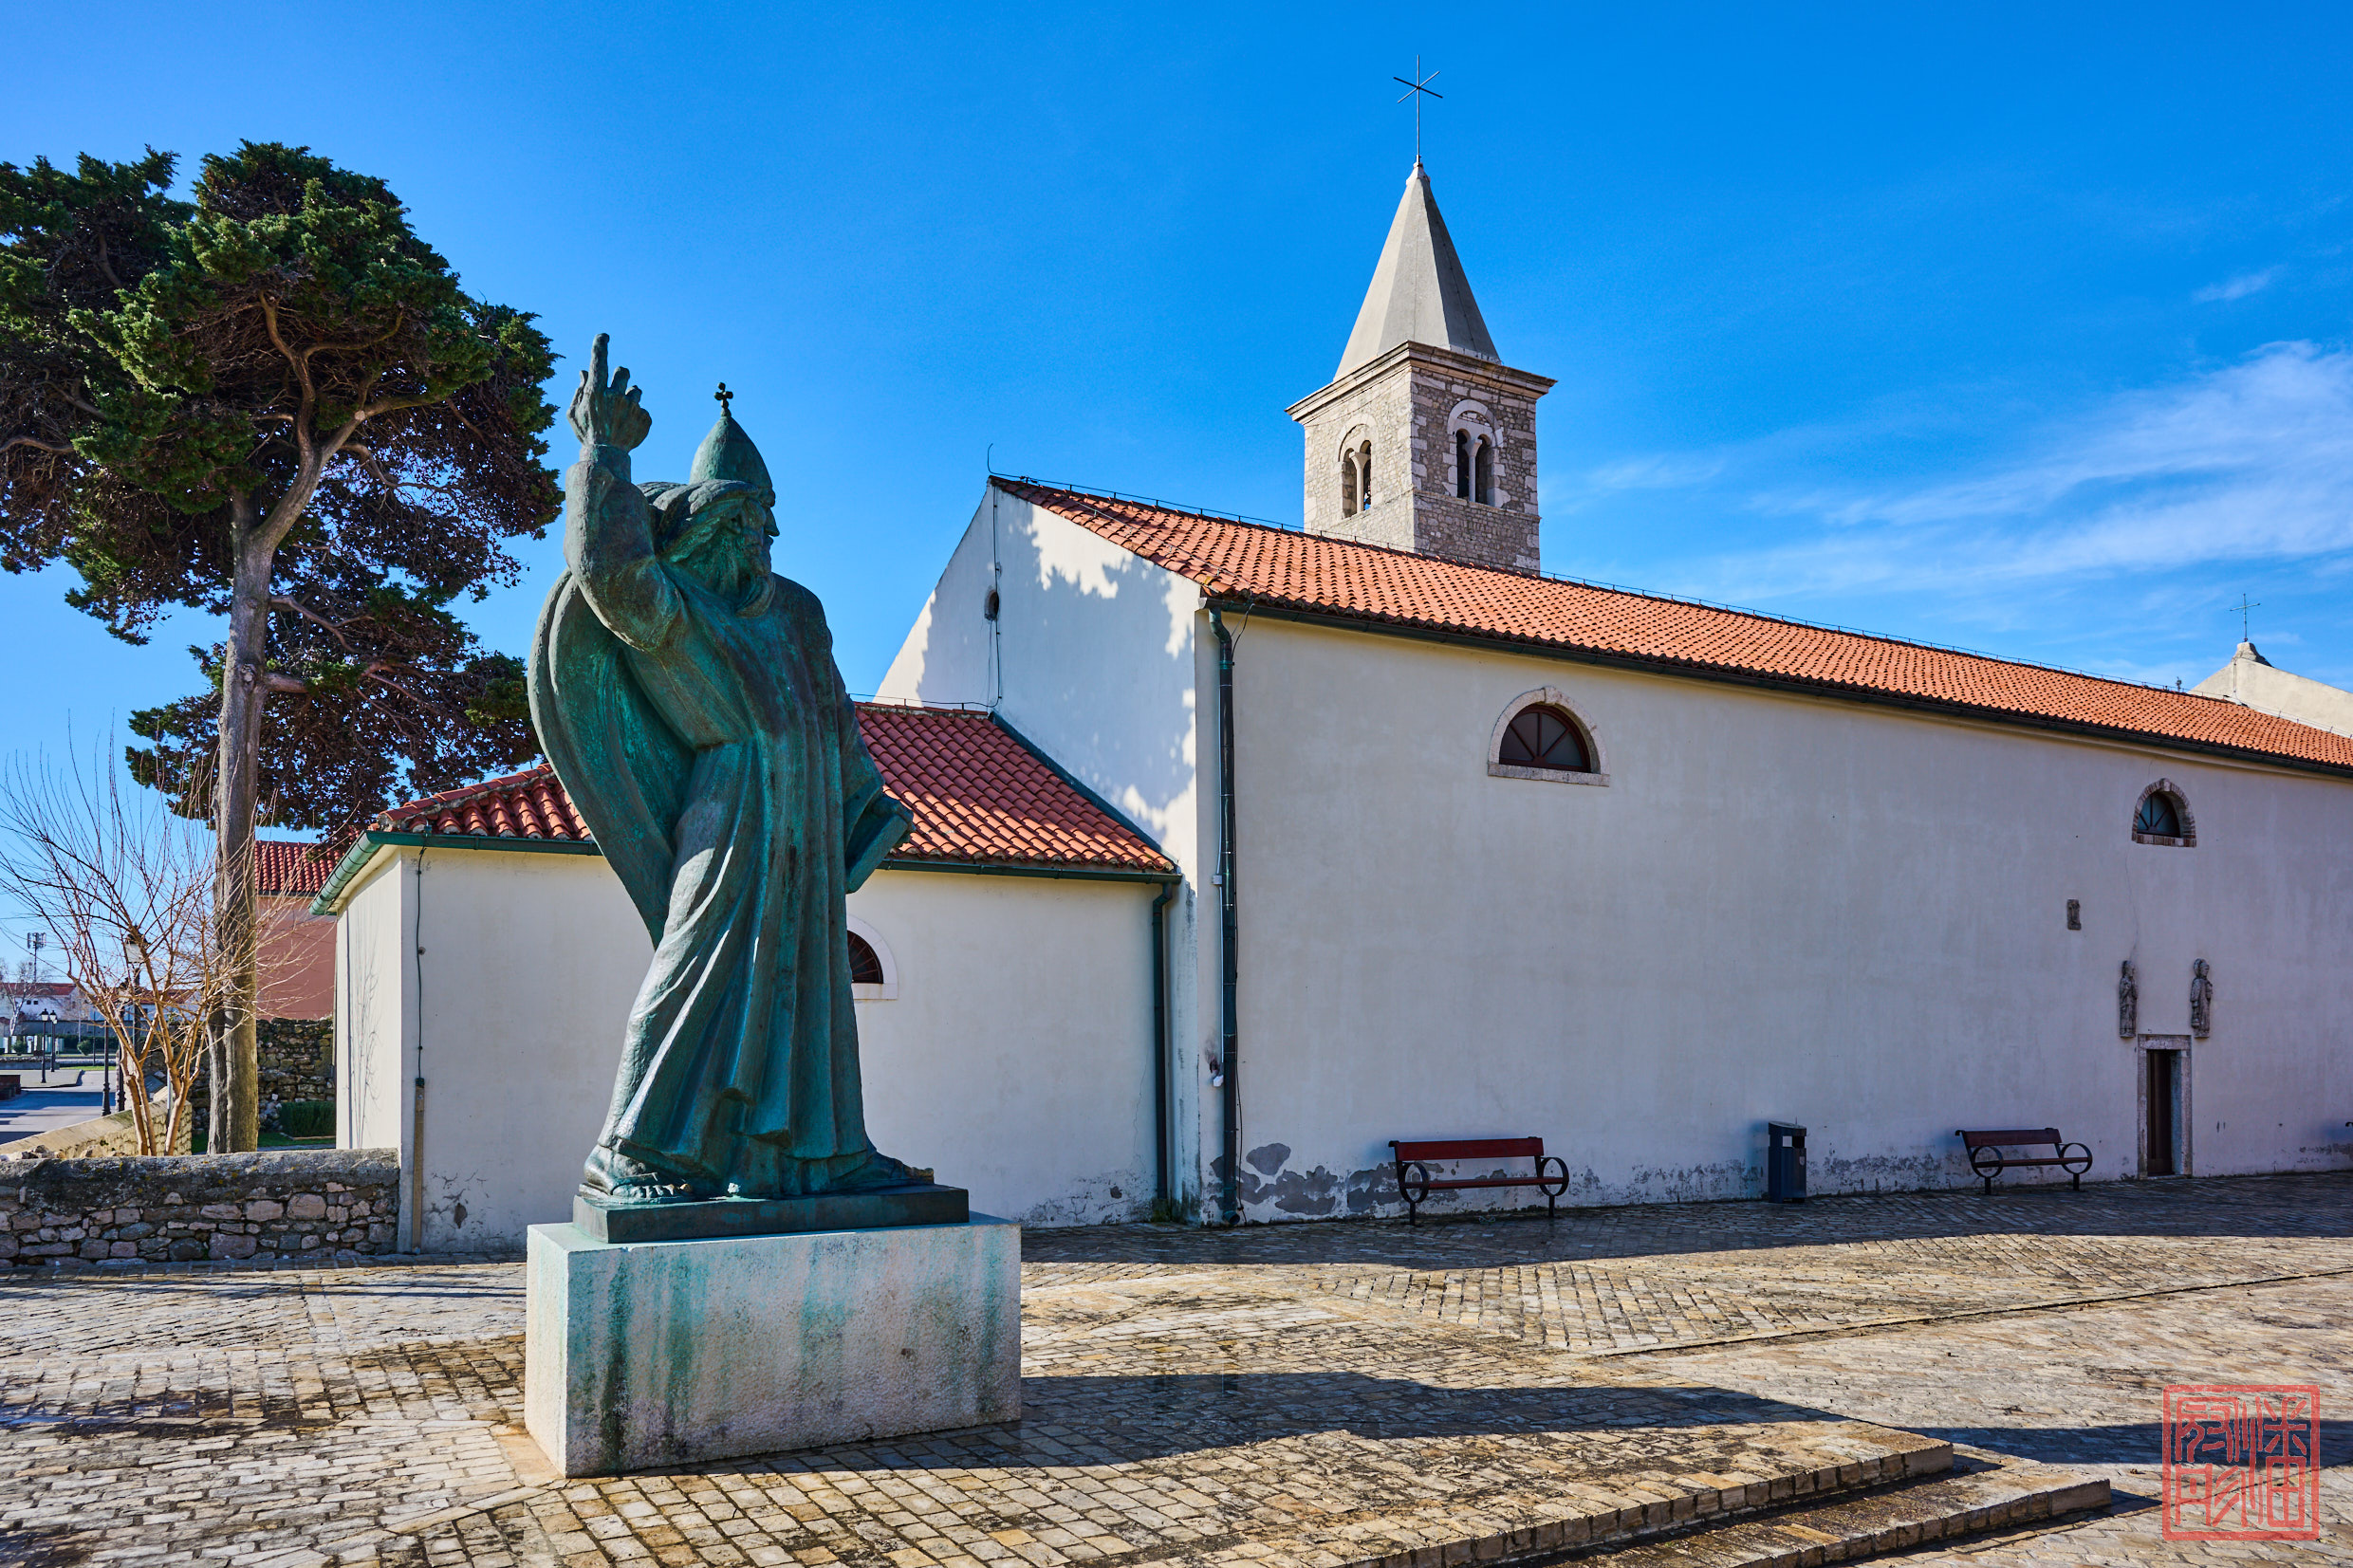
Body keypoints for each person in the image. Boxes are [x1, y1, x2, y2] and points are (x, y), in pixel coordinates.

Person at [530, 336, 915, 1205]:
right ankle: (628, 1149)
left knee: (808, 988)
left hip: (808, 816)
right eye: (749, 518)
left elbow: (831, 710)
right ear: (713, 520)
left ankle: (820, 1155)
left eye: (769, 518)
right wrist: (604, 455)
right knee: (698, 965)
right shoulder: (682, 612)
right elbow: (610, 575)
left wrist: (862, 804)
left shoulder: (800, 611)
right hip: (730, 810)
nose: (766, 534)